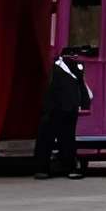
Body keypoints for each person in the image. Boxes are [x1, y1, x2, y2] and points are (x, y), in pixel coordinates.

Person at [36, 47, 92, 179]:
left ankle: (58, 168)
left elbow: (81, 86)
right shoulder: (62, 68)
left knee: (62, 140)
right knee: (57, 139)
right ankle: (49, 168)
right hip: (57, 109)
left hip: (64, 109)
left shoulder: (66, 68)